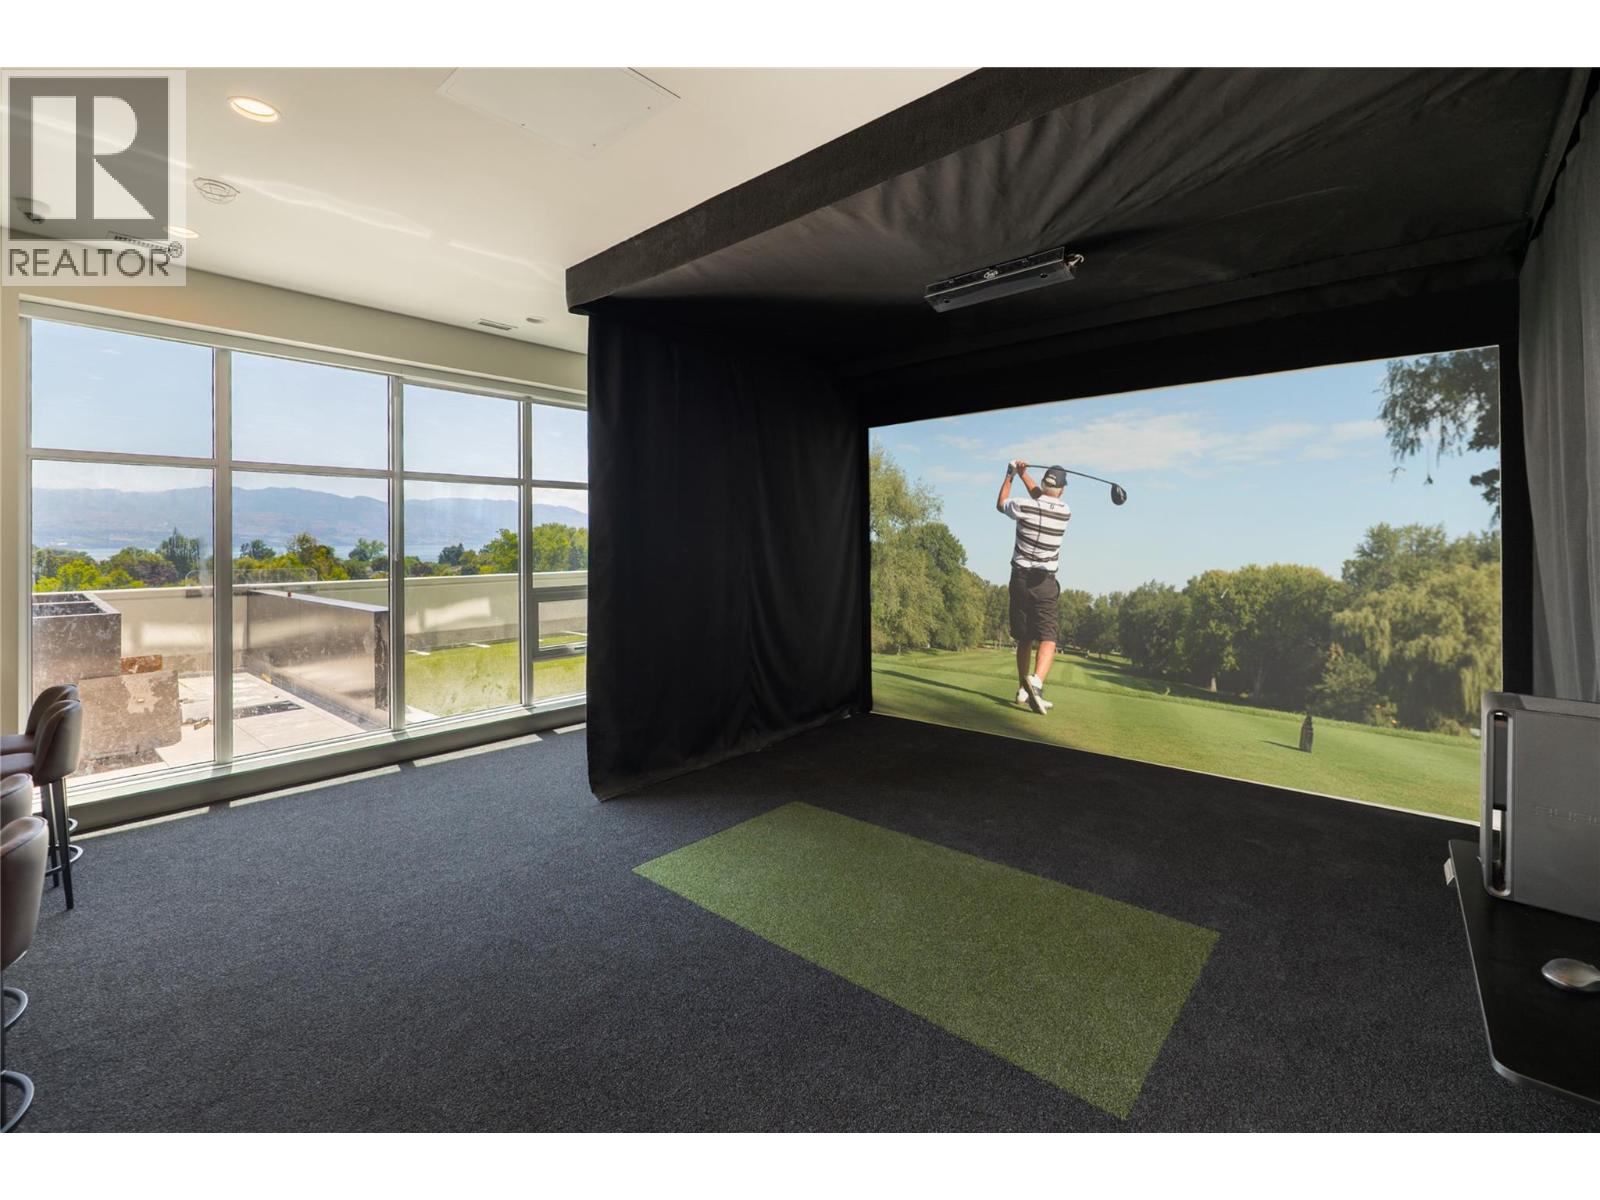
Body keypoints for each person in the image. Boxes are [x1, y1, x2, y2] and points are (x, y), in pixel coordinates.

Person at [996, 461, 1071, 713]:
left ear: (1043, 483)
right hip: (1044, 583)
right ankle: (1036, 683)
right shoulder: (1065, 512)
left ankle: (1022, 689)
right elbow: (1043, 498)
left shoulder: (1023, 505)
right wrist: (1023, 474)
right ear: (1062, 490)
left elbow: (1001, 503)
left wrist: (1012, 474)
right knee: (1048, 636)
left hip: (1019, 579)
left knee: (1025, 636)